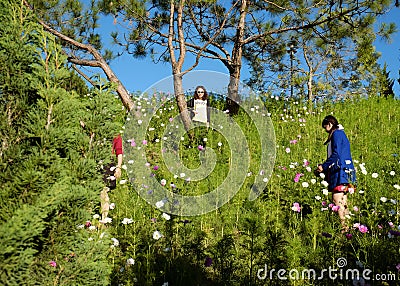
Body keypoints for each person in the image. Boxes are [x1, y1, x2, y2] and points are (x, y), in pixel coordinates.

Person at [315, 115, 356, 231]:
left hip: (340, 172)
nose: (326, 130)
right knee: (343, 201)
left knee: (337, 199)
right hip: (344, 171)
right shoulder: (340, 134)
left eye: (326, 128)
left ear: (330, 124)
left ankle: (344, 228)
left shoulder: (337, 134)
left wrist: (324, 166)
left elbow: (336, 154)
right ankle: (349, 229)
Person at [101, 132, 123, 221]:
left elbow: (119, 151)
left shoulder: (115, 135)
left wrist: (118, 167)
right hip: (95, 162)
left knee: (104, 192)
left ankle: (104, 219)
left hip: (107, 165)